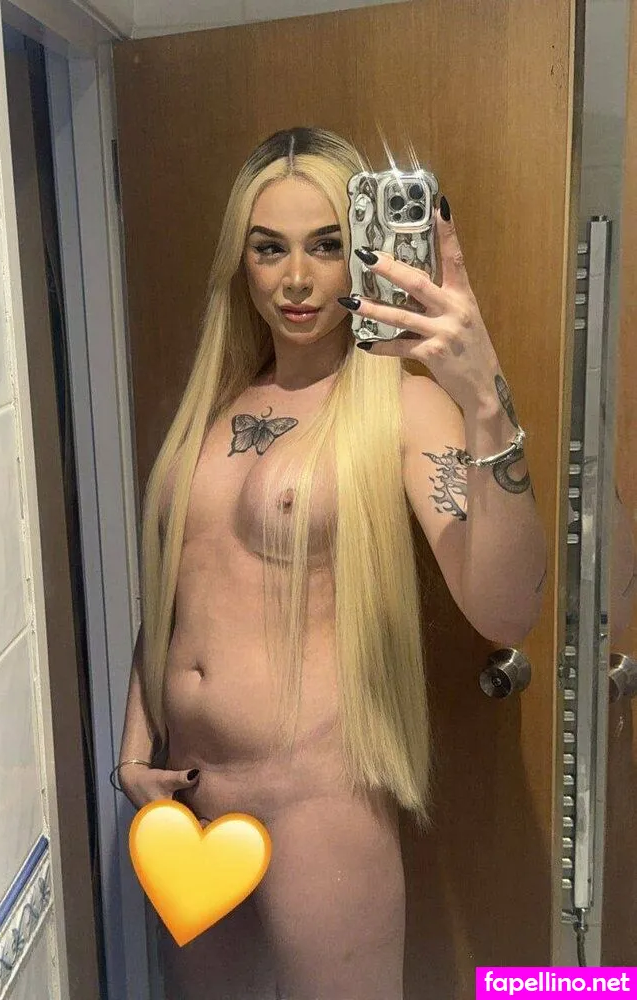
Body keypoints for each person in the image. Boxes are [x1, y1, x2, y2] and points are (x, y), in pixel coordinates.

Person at [114, 126, 547, 1000]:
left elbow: (508, 608)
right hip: (188, 804)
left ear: (366, 251)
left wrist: (483, 397)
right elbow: (177, 590)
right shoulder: (214, 404)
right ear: (240, 263)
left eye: (326, 245)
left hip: (316, 806)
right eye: (268, 248)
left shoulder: (401, 407)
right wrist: (133, 748)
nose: (297, 279)